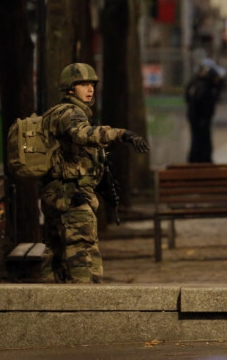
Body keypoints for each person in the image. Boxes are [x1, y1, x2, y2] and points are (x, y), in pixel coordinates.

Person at [41, 63, 149, 283]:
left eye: (91, 84)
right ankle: (87, 309)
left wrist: (98, 180)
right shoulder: (71, 113)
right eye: (82, 84)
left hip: (60, 195)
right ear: (70, 88)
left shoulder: (61, 112)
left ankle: (58, 311)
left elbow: (73, 155)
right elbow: (82, 134)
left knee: (58, 260)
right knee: (84, 257)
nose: (89, 89)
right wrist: (121, 134)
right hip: (72, 198)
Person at [185, 59, 225, 162]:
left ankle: (198, 159)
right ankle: (202, 160)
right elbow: (201, 101)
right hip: (201, 118)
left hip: (196, 117)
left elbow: (188, 98)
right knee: (201, 141)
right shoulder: (204, 86)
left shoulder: (194, 83)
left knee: (198, 140)